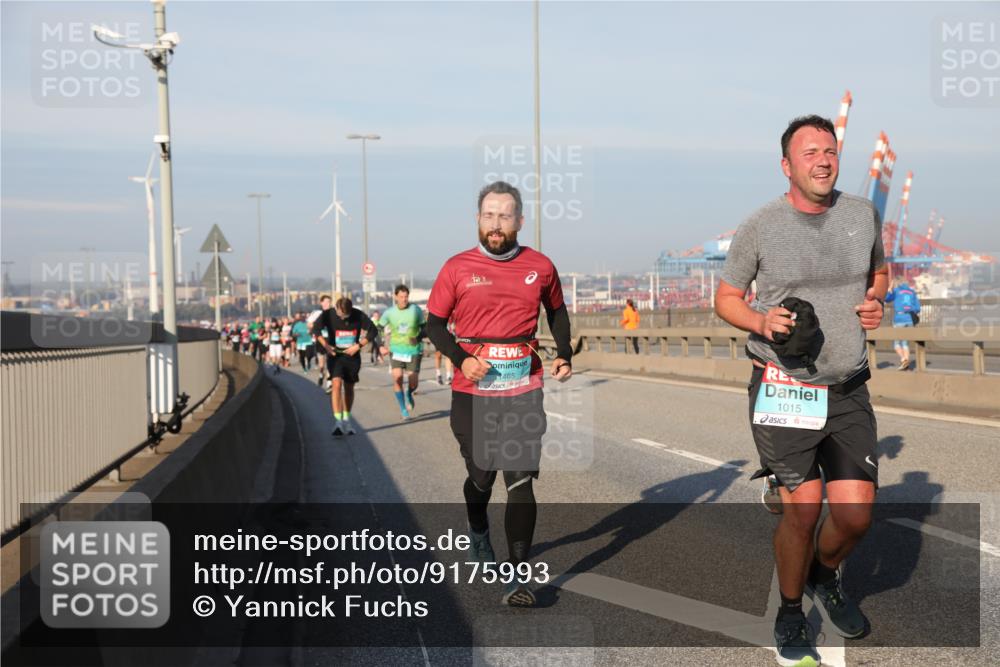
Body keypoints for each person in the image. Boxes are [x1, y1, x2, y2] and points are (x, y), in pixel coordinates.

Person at [714, 115, 887, 666]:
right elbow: (727, 297)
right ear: (786, 166)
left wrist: (876, 301)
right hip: (784, 386)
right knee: (803, 511)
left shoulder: (863, 215)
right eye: (809, 152)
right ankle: (790, 612)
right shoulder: (761, 225)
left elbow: (879, 274)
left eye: (830, 150)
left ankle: (823, 575)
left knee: (856, 516)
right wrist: (762, 323)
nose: (822, 159)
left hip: (848, 385)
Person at [426, 181, 573, 607]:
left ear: (519, 221)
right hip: (472, 390)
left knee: (521, 478)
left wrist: (563, 353)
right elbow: (434, 325)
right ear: (478, 219)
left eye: (505, 216)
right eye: (489, 215)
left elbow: (557, 310)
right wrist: (461, 359)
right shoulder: (456, 268)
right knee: (482, 477)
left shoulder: (541, 266)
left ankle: (517, 576)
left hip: (523, 386)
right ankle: (478, 532)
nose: (496, 224)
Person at [314, 296, 377, 436]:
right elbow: (316, 329)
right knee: (336, 384)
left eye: (345, 316)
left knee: (349, 388)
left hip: (352, 357)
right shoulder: (328, 314)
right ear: (336, 308)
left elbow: (373, 331)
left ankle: (347, 420)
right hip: (335, 356)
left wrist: (358, 345)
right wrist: (326, 346)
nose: (342, 318)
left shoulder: (358, 315)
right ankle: (338, 422)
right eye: (340, 315)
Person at [377, 285, 426, 420]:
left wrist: (418, 337)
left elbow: (425, 328)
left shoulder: (416, 310)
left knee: (413, 382)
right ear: (395, 297)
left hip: (413, 351)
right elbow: (378, 329)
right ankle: (403, 409)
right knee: (397, 378)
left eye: (406, 297)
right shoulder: (389, 312)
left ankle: (409, 393)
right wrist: (380, 345)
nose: (404, 300)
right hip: (396, 350)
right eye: (401, 297)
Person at [885, 277, 921, 371]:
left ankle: (904, 360)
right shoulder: (912, 291)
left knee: (896, 343)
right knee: (905, 342)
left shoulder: (896, 290)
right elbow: (917, 308)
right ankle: (906, 363)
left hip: (899, 319)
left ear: (896, 283)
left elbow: (887, 299)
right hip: (909, 319)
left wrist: (890, 289)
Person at [434, 319, 456, 385]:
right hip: (440, 335)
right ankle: (438, 374)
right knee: (438, 355)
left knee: (448, 355)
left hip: (450, 335)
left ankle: (448, 376)